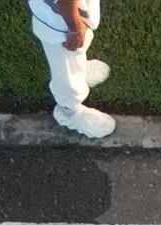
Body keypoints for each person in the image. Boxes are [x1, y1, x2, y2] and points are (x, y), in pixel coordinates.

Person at [28, 0, 113, 140]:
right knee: (66, 66)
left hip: (67, 14)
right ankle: (69, 112)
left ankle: (79, 69)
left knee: (77, 46)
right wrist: (75, 28)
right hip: (61, 23)